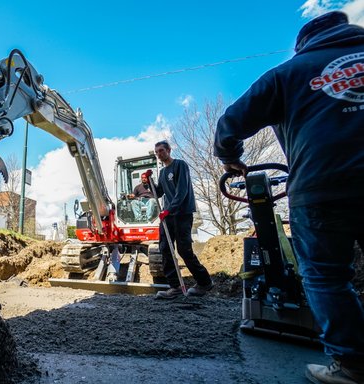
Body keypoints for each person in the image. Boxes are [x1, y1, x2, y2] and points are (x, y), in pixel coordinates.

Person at [213, 11, 364, 384]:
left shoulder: (290, 73)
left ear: (303, 44)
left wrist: (230, 157)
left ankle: (353, 365)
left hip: (322, 185)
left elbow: (230, 123)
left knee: (327, 276)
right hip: (326, 183)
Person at [152, 140, 213, 299]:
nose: (159, 154)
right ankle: (175, 287)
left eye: (161, 150)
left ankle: (204, 282)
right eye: (157, 152)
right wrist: (147, 183)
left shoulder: (180, 165)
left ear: (169, 150)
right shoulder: (163, 173)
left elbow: (182, 191)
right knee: (165, 248)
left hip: (182, 213)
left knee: (184, 250)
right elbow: (159, 192)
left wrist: (169, 209)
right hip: (168, 215)